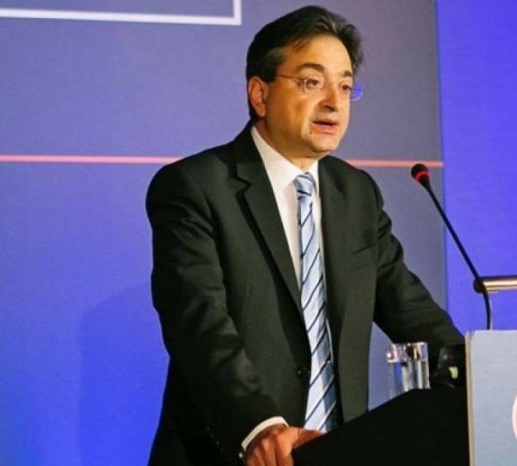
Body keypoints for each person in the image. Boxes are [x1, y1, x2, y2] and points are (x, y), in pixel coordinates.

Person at [145, 5, 463, 466]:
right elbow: (200, 327)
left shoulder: (356, 193)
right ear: (260, 93)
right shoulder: (196, 187)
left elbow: (412, 312)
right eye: (312, 82)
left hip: (339, 453)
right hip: (234, 455)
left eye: (346, 86)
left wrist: (486, 378)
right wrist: (260, 426)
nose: (334, 102)